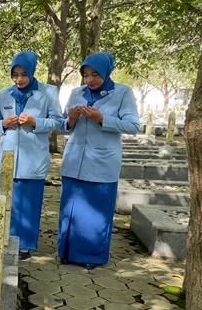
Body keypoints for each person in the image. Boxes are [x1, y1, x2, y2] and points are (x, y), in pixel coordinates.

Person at [57, 51, 140, 269]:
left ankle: (91, 256)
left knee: (95, 213)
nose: (90, 80)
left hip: (102, 164)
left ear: (106, 72)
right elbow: (64, 126)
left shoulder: (122, 93)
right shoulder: (76, 93)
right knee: (71, 210)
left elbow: (133, 126)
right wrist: (72, 118)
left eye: (95, 75)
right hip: (74, 161)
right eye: (86, 75)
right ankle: (66, 252)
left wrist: (102, 118)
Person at [0, 51, 63, 259]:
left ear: (32, 72)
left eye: (24, 74)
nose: (19, 79)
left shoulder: (48, 92)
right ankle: (2, 240)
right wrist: (3, 124)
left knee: (28, 204)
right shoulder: (4, 93)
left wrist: (36, 122)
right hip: (7, 156)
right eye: (15, 74)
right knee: (5, 201)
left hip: (32, 157)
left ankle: (24, 245)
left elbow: (59, 121)